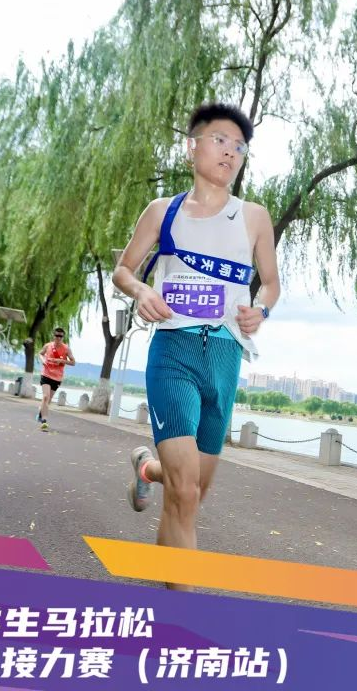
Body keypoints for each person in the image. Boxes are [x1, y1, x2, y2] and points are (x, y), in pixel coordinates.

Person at [113, 102, 281, 590]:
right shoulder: (162, 211)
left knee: (193, 492)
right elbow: (123, 269)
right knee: (184, 494)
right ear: (192, 147)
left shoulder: (254, 218)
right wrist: (142, 291)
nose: (230, 152)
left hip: (225, 359)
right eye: (220, 141)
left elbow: (271, 283)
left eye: (239, 147)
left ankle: (147, 469)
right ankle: (178, 614)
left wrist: (261, 310)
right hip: (174, 353)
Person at [36, 327, 75, 430]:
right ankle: (44, 421)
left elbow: (73, 362)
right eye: (56, 335)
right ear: (53, 336)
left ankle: (40, 412)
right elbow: (40, 353)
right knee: (45, 397)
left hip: (57, 378)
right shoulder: (48, 346)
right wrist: (43, 360)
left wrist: (61, 361)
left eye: (60, 336)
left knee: (48, 400)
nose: (58, 338)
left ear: (63, 337)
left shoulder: (66, 349)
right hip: (46, 374)